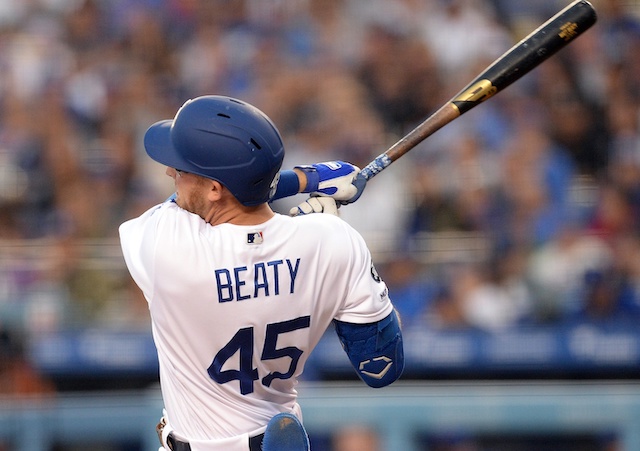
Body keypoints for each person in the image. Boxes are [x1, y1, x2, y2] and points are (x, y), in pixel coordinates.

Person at [118, 95, 404, 451]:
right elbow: (382, 366)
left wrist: (305, 178)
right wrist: (327, 248)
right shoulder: (332, 241)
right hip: (275, 436)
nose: (170, 172)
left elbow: (188, 206)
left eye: (182, 168)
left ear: (214, 188)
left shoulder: (165, 245)